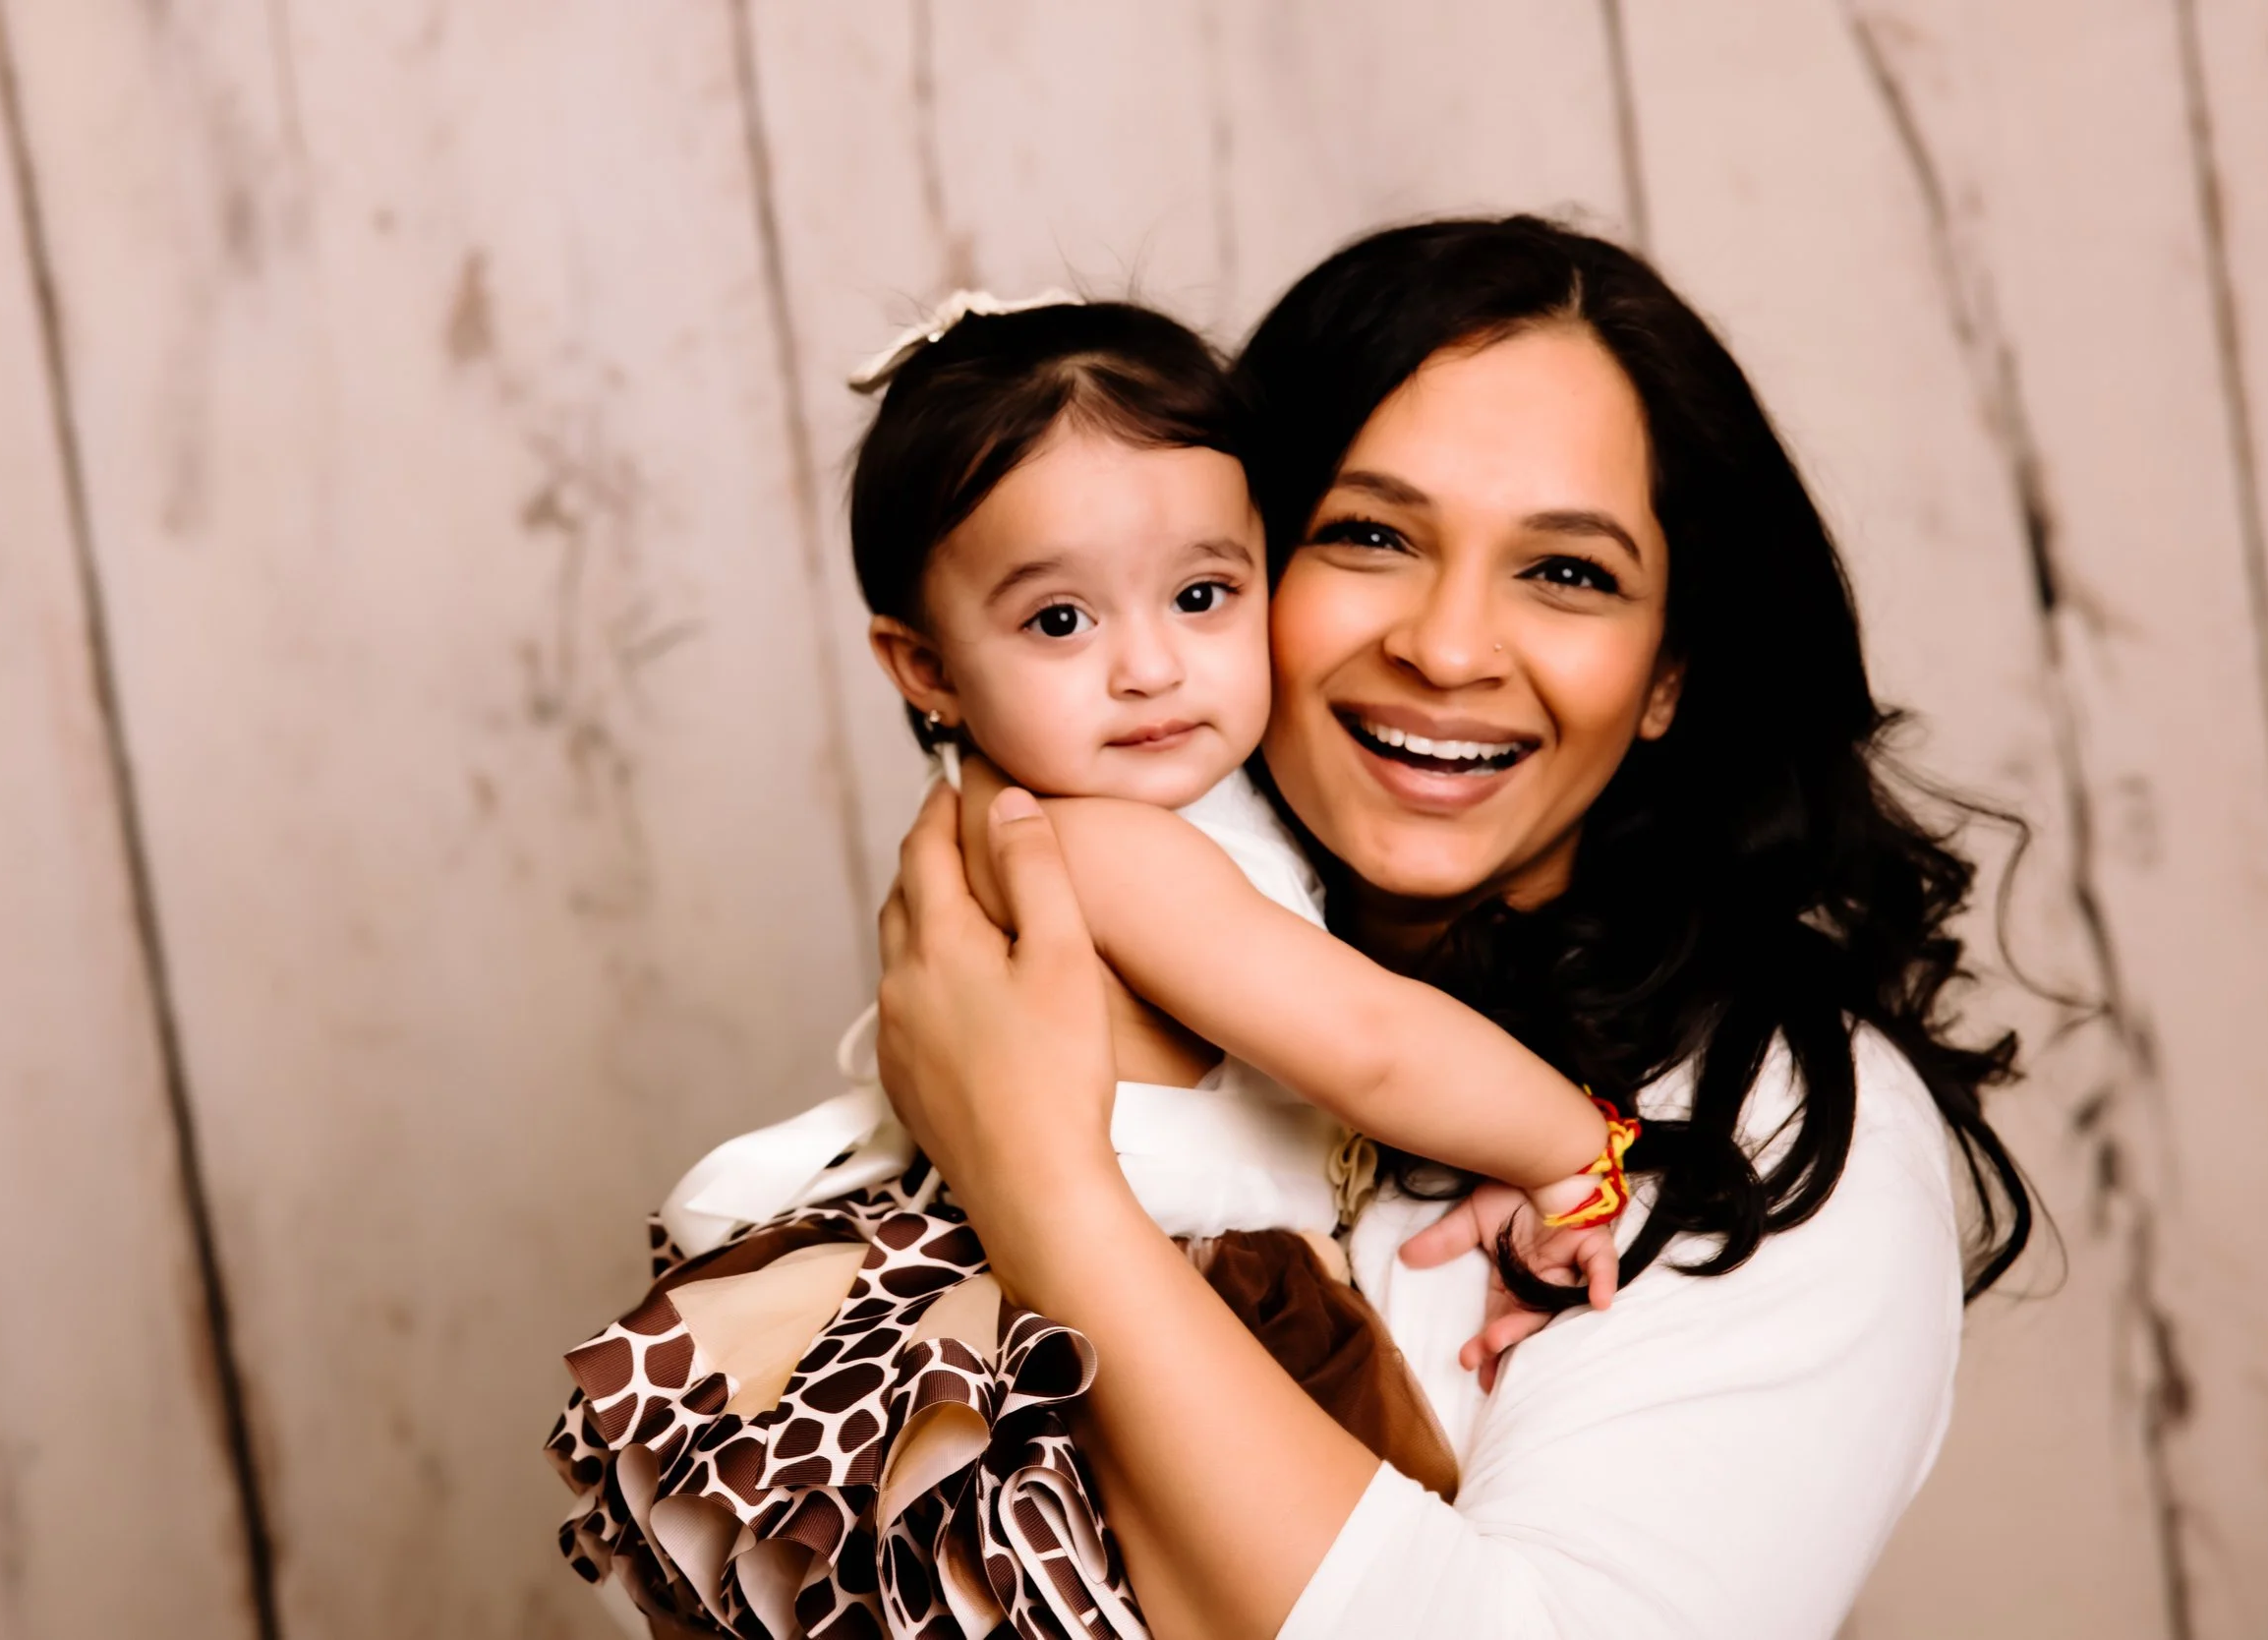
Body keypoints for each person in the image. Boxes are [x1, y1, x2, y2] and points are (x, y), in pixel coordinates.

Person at [869, 215, 2034, 1640]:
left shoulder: (1763, 1121)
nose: (1449, 646)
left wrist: (1039, 1184)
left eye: (1568, 573)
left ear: (1667, 675)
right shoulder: (1089, 936)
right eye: (1366, 536)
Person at [547, 294, 1642, 1639]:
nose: (1149, 668)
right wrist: (1568, 1148)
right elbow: (1366, 1045)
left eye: (1201, 595)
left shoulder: (1080, 812)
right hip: (1151, 1317)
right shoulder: (1098, 846)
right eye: (1060, 621)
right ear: (925, 665)